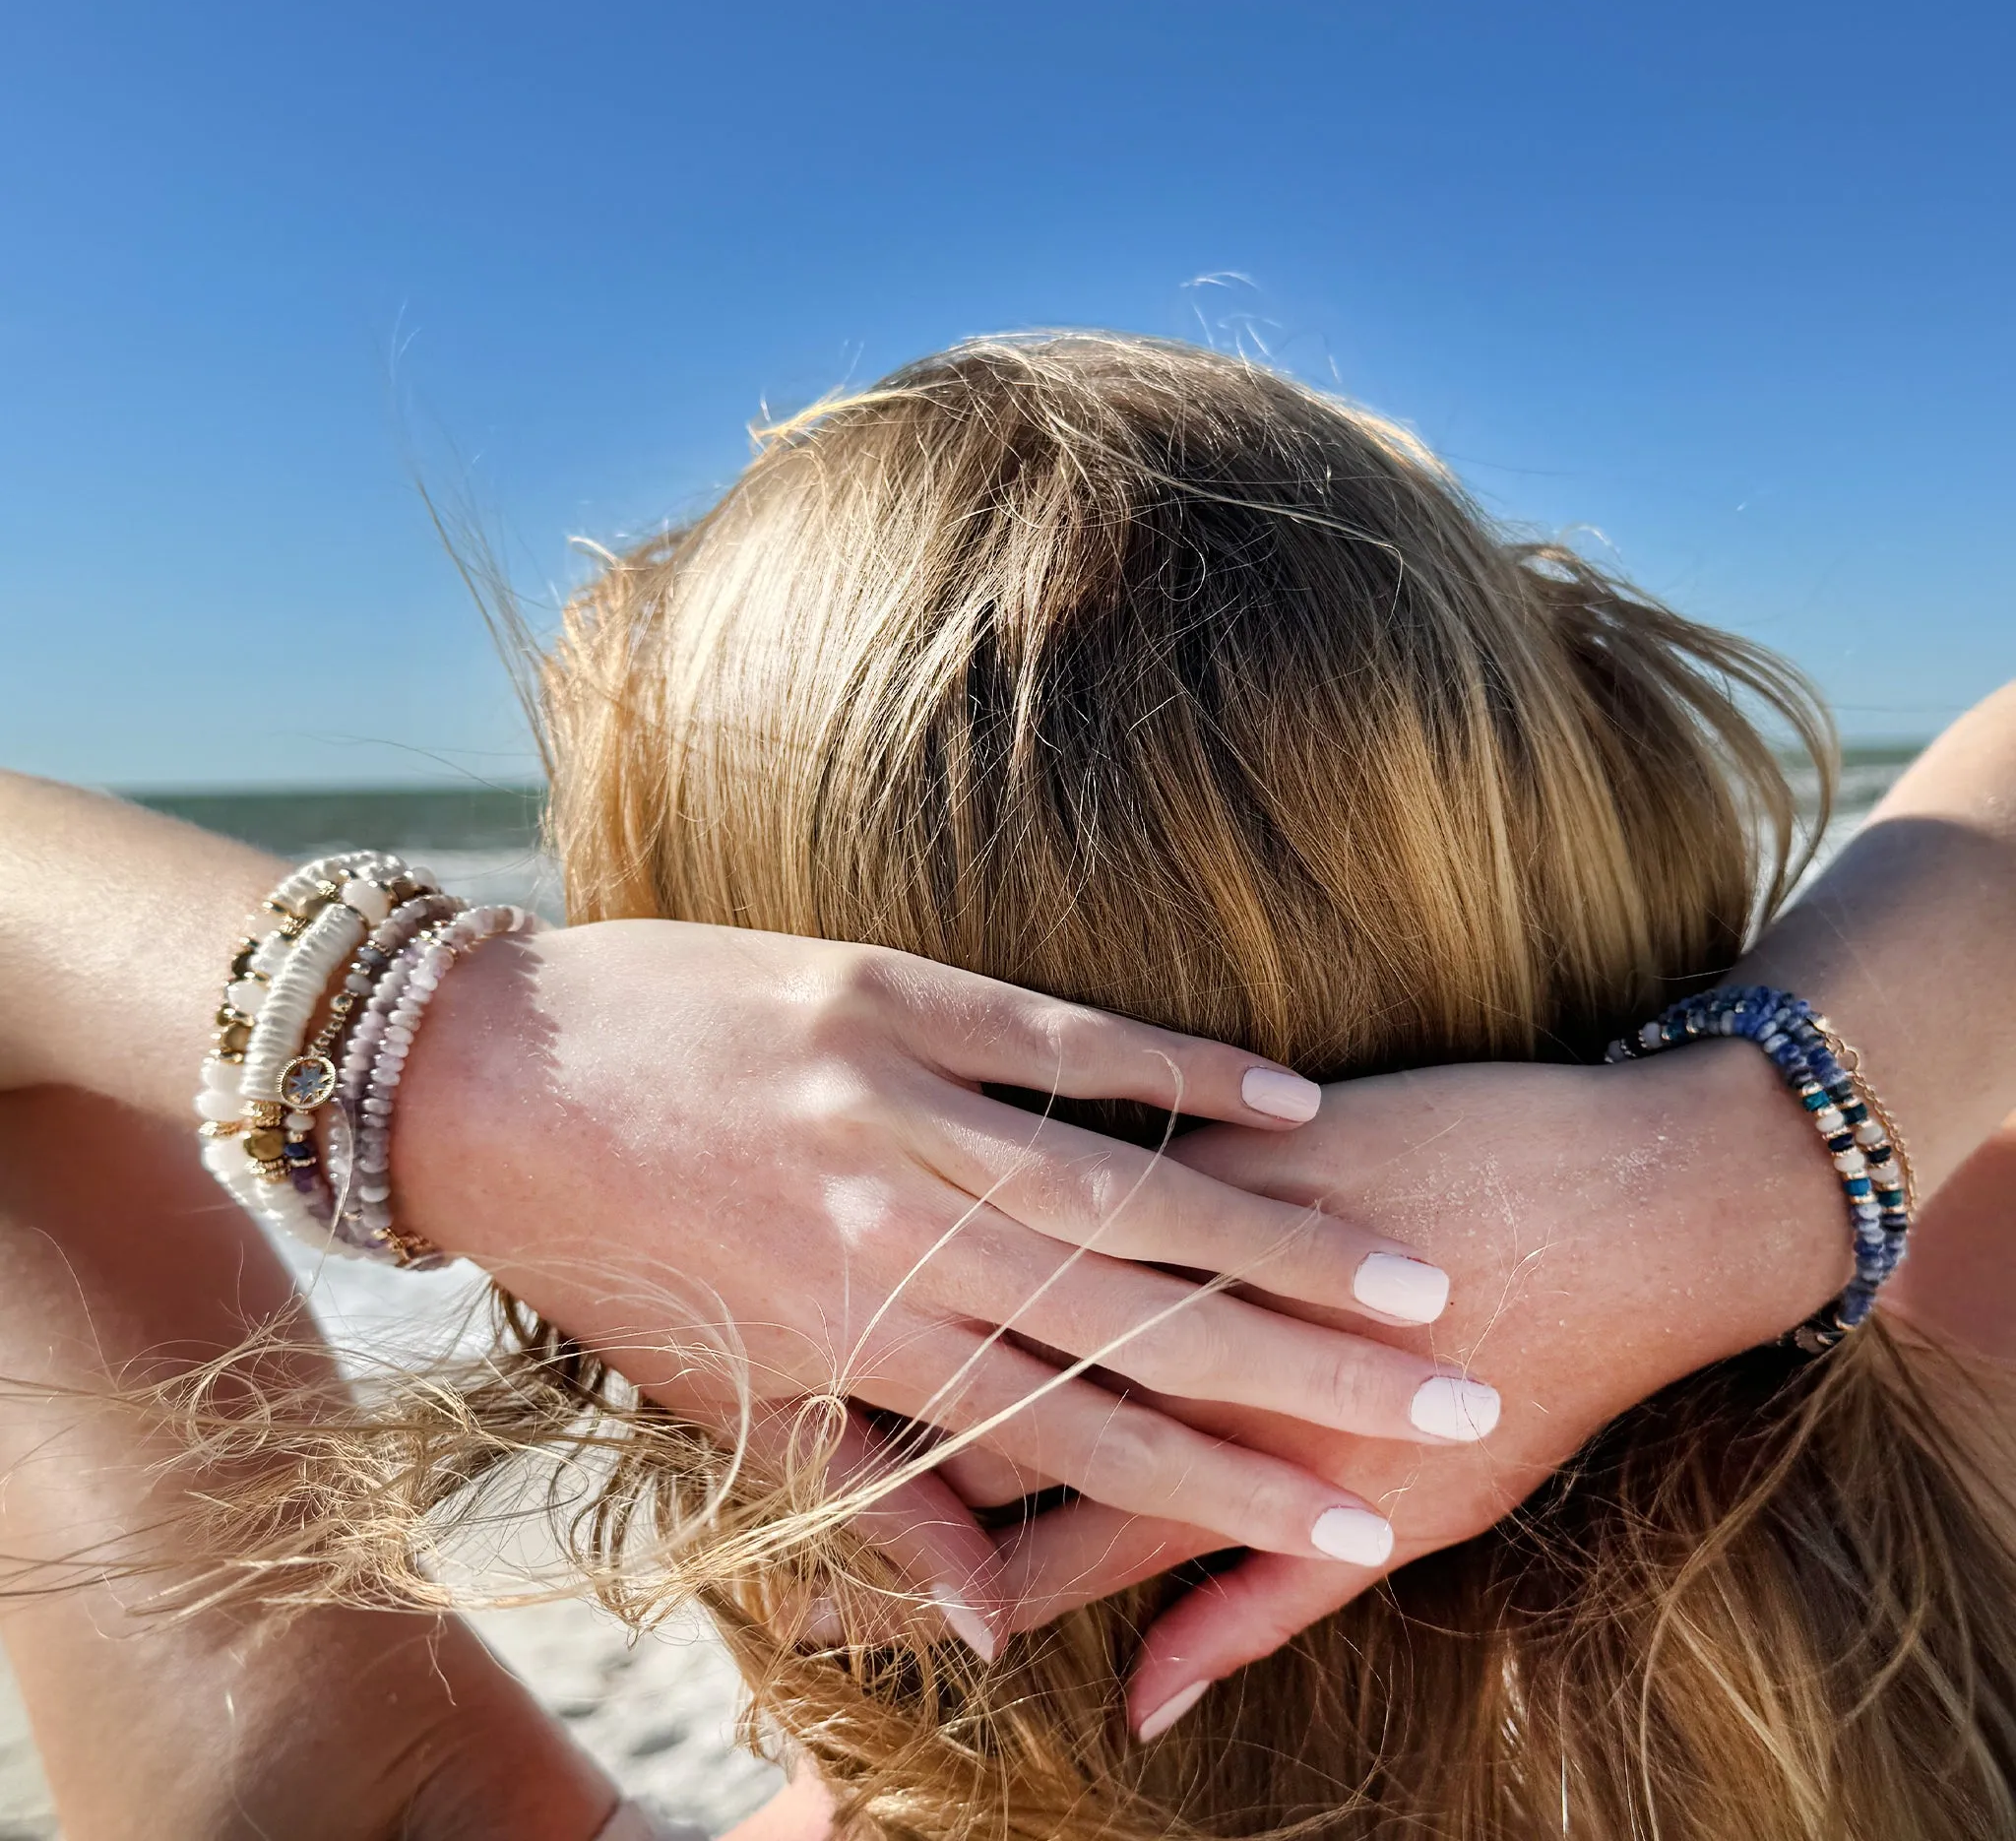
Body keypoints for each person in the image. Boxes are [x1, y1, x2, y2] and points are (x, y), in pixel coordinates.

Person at [0, 332, 2011, 1837]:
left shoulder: (366, 1795)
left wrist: (447, 1048)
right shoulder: (1926, 1631)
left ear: (635, 1256)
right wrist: (1740, 1166)